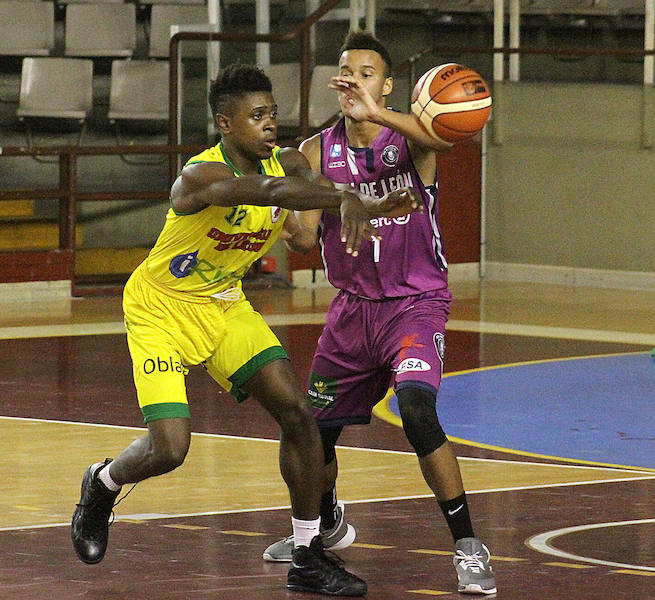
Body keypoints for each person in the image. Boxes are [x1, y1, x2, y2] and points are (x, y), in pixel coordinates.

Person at [70, 63, 422, 597]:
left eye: (274, 114)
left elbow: (306, 202)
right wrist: (343, 199)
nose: (270, 125)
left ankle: (307, 552)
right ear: (225, 123)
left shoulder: (288, 160)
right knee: (170, 449)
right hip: (161, 309)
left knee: (298, 413)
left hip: (226, 306)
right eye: (257, 116)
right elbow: (269, 192)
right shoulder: (199, 178)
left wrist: (360, 202)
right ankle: (103, 484)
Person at [260, 31, 497, 596]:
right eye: (346, 71)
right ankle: (319, 527)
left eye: (366, 73)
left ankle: (467, 544)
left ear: (386, 85)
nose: (353, 80)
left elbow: (444, 137)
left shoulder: (412, 141)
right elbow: (302, 241)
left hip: (415, 305)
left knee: (416, 411)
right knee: (312, 437)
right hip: (350, 313)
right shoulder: (317, 152)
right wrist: (280, 208)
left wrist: (378, 113)